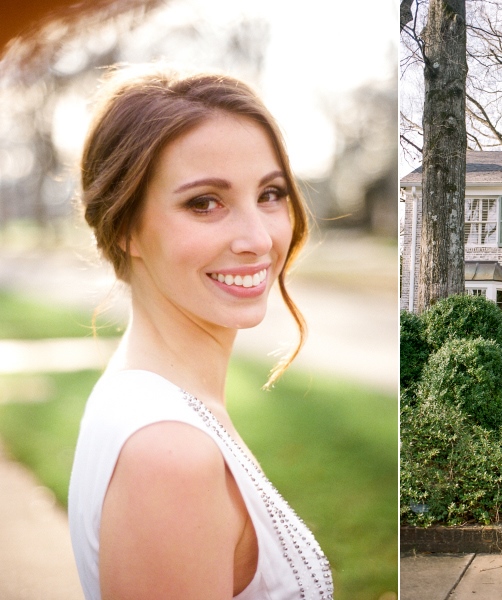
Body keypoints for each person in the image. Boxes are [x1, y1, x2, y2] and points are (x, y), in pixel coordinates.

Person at [67, 67, 333, 599]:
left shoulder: (147, 398)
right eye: (204, 202)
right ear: (125, 227)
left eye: (271, 193)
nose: (258, 239)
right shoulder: (169, 455)